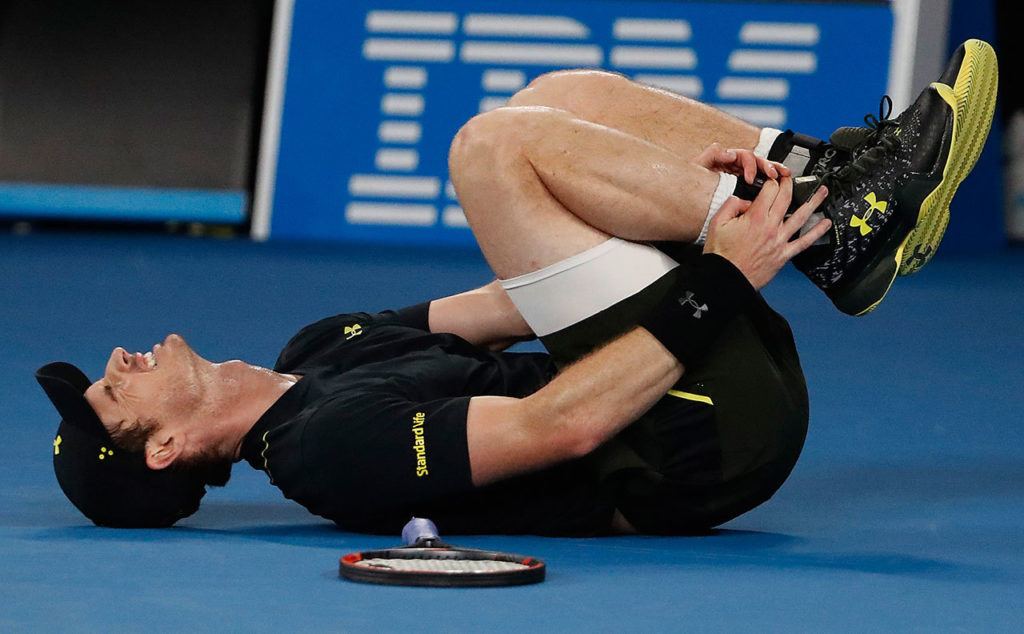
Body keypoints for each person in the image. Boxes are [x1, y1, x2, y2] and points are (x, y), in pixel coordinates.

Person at [37, 41, 997, 534]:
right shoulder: (329, 453)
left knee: (559, 98)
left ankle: (824, 195)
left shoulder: (316, 348)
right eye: (116, 390)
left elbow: (516, 298)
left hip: (672, 375)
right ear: (165, 450)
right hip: (690, 444)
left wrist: (675, 204)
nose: (120, 359)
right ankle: (837, 231)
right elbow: (560, 430)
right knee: (491, 149)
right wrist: (721, 271)